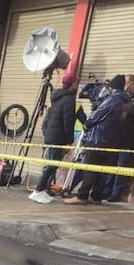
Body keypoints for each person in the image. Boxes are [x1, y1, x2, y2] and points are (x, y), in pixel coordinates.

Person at [65, 74, 129, 205]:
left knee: (90, 169)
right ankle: (96, 196)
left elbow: (96, 116)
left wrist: (86, 124)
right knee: (102, 171)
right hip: (111, 142)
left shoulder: (112, 100)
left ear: (113, 87)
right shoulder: (126, 101)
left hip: (98, 139)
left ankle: (82, 196)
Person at [29, 73, 85, 203]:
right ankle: (38, 190)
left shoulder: (56, 98)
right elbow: (68, 122)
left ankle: (43, 190)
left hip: (51, 136)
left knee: (52, 165)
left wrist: (47, 133)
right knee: (52, 165)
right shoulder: (69, 100)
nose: (77, 86)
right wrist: (69, 140)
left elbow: (48, 119)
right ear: (72, 84)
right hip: (58, 138)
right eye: (76, 83)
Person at [103, 73, 134, 202]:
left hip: (129, 138)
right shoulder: (120, 96)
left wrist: (127, 110)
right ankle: (106, 190)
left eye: (126, 83)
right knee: (111, 164)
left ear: (133, 83)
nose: (124, 86)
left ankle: (116, 192)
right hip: (116, 136)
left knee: (122, 165)